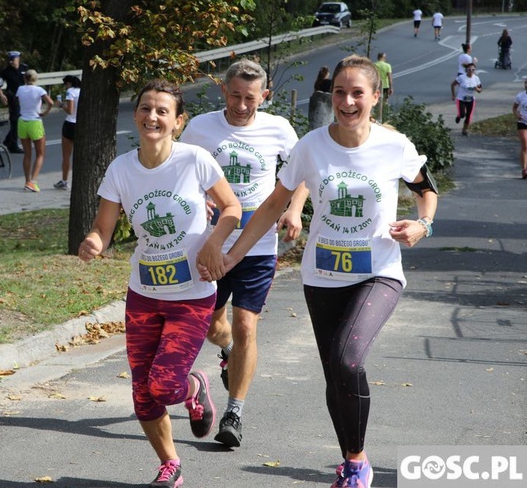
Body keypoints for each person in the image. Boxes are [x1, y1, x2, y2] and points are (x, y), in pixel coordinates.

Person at [200, 54, 438, 488]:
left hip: (378, 271)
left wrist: (423, 224)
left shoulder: (394, 145)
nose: (347, 101)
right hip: (322, 275)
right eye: (339, 92)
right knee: (336, 372)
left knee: (348, 359)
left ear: (375, 96)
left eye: (357, 93)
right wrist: (235, 255)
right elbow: (275, 202)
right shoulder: (310, 145)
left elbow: (425, 189)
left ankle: (359, 463)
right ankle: (351, 461)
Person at [80, 79, 241, 487]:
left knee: (165, 384)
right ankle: (170, 464)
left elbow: (231, 206)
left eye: (162, 111)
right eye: (146, 109)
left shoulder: (194, 160)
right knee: (142, 392)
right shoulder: (121, 169)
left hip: (192, 294)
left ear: (177, 122)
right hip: (144, 294)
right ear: (136, 116)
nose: (152, 116)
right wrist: (94, 242)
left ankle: (193, 385)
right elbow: (104, 228)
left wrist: (215, 242)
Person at [179, 59, 309, 448]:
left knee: (246, 324)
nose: (240, 105)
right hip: (212, 240)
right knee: (210, 326)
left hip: (258, 243)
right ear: (224, 91)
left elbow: (303, 171)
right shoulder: (201, 127)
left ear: (264, 96)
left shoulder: (278, 129)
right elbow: (179, 169)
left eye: (250, 98)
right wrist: (195, 201)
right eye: (234, 95)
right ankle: (231, 355)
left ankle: (234, 412)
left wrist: (295, 208)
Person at [16, 69, 53, 192]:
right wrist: (45, 112)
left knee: (27, 154)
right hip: (35, 121)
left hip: (22, 121)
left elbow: (17, 101)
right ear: (35, 79)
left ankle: (27, 181)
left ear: (25, 78)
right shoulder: (39, 90)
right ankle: (33, 181)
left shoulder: (20, 89)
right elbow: (50, 102)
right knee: (40, 154)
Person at [54, 75, 81, 190]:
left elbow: (70, 110)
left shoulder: (70, 92)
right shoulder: (83, 90)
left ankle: (65, 180)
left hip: (70, 124)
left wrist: (60, 105)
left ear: (69, 83)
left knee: (66, 156)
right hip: (81, 123)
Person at [0, 51, 29, 153]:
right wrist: (1, 95)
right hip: (13, 98)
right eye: (9, 59)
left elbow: (30, 80)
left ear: (18, 58)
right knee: (15, 120)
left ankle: (8, 141)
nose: (11, 62)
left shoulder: (24, 68)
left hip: (24, 97)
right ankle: (13, 145)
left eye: (13, 59)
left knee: (19, 120)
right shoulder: (6, 71)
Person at [451, 64, 482, 136]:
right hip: (461, 99)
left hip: (471, 100)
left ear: (474, 70)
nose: (471, 71)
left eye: (473, 70)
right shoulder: (461, 77)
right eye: (469, 69)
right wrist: (453, 95)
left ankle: (464, 130)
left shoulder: (476, 78)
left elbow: (480, 90)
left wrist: (477, 89)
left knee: (468, 116)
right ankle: (459, 116)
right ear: (466, 70)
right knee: (462, 115)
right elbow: (452, 84)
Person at [511, 79, 527, 179]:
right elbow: (514, 108)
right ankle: (524, 169)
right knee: (525, 145)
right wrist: (517, 115)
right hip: (523, 122)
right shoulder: (520, 96)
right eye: (526, 83)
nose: (526, 85)